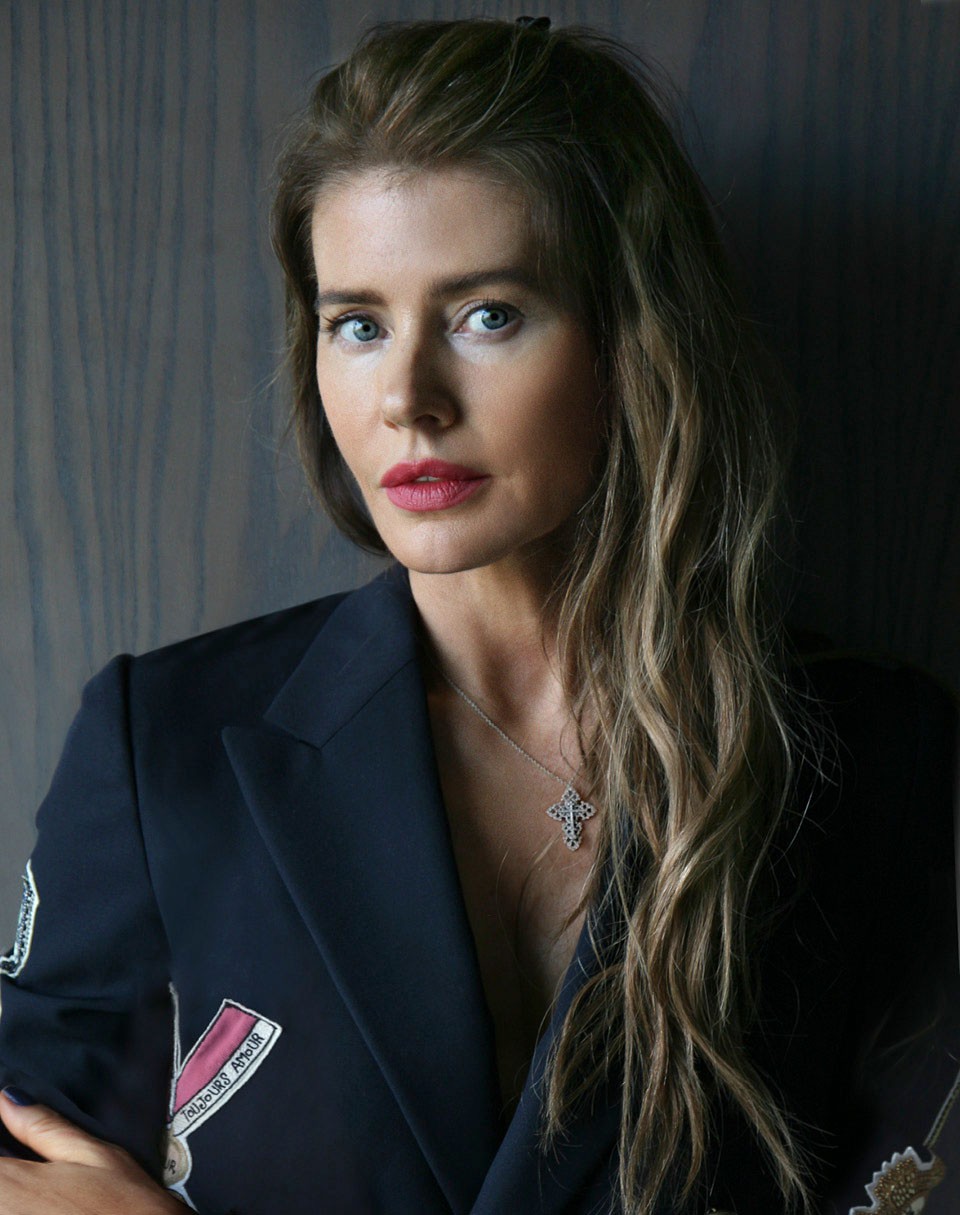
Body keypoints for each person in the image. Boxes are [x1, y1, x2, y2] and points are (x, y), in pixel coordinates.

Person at [0, 15, 956, 1215]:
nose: (408, 398)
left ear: (631, 337)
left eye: (486, 314)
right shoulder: (167, 747)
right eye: (358, 324)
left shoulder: (877, 765)